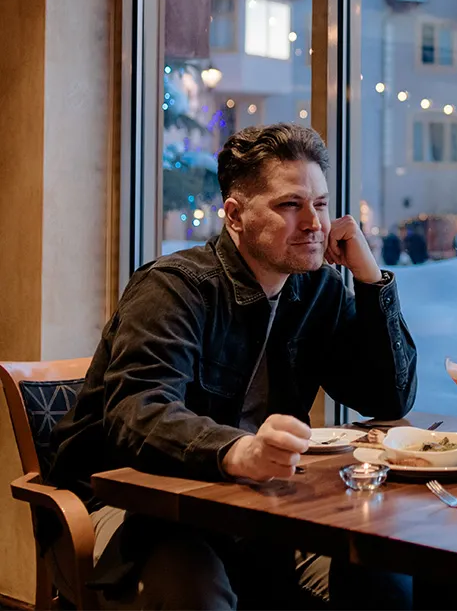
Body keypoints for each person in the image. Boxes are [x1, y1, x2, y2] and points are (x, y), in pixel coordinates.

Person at [47, 123, 418, 610]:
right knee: (194, 589)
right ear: (235, 215)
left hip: (252, 507)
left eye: (322, 205)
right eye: (290, 205)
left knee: (383, 572)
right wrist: (237, 450)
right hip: (136, 506)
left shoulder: (317, 289)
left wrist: (371, 280)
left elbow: (386, 398)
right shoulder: (174, 287)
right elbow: (137, 412)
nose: (314, 223)